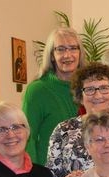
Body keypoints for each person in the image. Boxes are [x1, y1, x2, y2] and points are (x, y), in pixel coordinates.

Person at [45, 63, 109, 177]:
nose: (98, 95)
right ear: (80, 95)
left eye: (104, 88)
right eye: (89, 89)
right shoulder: (63, 130)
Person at [23, 27, 86, 164]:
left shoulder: (90, 88)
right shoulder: (37, 90)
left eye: (73, 48)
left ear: (80, 53)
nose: (67, 55)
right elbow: (28, 136)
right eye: (61, 49)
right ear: (52, 55)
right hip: (49, 172)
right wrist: (32, 174)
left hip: (87, 172)